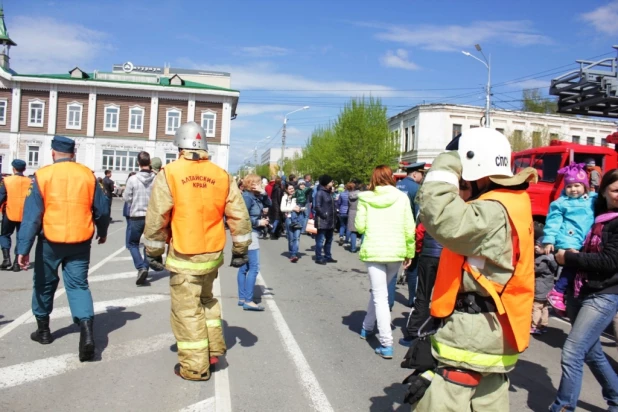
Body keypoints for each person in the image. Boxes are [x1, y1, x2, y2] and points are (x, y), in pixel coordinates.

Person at [405, 128, 537, 410]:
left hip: (473, 335)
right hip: (492, 332)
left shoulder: (493, 210)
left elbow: (439, 214)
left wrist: (448, 160)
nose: (461, 189)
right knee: (488, 401)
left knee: (444, 402)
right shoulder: (511, 203)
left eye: (464, 181)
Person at [143, 121, 251, 381]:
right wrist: (240, 249)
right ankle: (212, 350)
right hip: (212, 255)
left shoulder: (169, 173)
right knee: (207, 302)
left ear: (180, 146)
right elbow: (239, 215)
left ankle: (194, 367)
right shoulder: (222, 175)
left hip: (184, 256)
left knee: (186, 311)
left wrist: (154, 252)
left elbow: (158, 216)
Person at [16, 136, 110, 362]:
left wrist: (23, 248)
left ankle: (44, 331)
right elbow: (103, 208)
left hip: (50, 240)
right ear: (73, 153)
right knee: (78, 285)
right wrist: (103, 230)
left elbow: (32, 217)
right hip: (80, 240)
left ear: (52, 153)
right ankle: (86, 331)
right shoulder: (87, 175)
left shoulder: (43, 176)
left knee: (44, 283)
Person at [550, 169, 618, 411]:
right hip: (581, 288)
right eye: (616, 190)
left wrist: (569, 258)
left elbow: (610, 261)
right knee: (591, 351)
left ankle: (563, 406)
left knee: (572, 352)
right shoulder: (594, 211)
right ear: (603, 191)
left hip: (605, 293)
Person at [356, 165, 415, 359]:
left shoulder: (366, 198)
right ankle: (367, 326)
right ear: (391, 177)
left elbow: (359, 226)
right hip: (395, 251)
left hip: (374, 250)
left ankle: (386, 342)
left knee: (379, 295)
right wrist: (409, 251)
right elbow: (409, 226)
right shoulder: (402, 197)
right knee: (379, 291)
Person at [543, 162, 596, 316]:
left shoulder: (592, 199)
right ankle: (557, 291)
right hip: (568, 238)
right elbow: (553, 222)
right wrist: (549, 239)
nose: (573, 189)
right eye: (569, 186)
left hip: (583, 239)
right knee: (572, 265)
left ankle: (566, 295)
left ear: (585, 186)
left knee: (579, 267)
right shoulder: (560, 204)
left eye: (577, 185)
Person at [238, 174, 271, 310]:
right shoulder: (247, 197)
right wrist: (259, 221)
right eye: (258, 183)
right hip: (249, 233)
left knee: (244, 267)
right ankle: (248, 300)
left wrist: (263, 193)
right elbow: (242, 217)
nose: (261, 185)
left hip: (250, 233)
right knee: (254, 267)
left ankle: (242, 298)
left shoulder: (255, 196)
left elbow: (269, 204)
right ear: (252, 184)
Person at [123, 152, 156, 286]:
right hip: (152, 216)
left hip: (136, 215)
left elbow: (127, 198)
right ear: (150, 162)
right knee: (149, 244)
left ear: (138, 163)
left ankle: (141, 267)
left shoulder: (133, 179)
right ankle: (145, 267)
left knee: (132, 244)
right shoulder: (156, 178)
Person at [0, 159, 31, 272]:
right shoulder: (29, 181)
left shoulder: (7, 180)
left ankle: (6, 259)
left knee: (4, 235)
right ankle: (16, 264)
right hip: (24, 214)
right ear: (24, 169)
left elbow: (1, 196)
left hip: (9, 212)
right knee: (20, 238)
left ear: (13, 169)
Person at [532, 226, 557, 334]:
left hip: (540, 287)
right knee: (544, 307)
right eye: (536, 245)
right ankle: (543, 325)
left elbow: (536, 269)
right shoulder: (551, 258)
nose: (536, 247)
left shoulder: (543, 260)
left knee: (536, 307)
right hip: (548, 287)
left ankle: (535, 326)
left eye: (539, 246)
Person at [314, 175, 337, 265]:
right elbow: (317, 206)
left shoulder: (329, 192)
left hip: (330, 220)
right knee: (320, 240)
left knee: (329, 239)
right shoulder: (320, 193)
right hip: (323, 220)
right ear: (326, 183)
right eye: (331, 181)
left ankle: (328, 256)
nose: (332, 183)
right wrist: (324, 215)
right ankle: (319, 257)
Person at [281, 183, 301, 263]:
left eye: (292, 188)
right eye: (289, 189)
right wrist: (293, 208)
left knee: (297, 238)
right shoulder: (285, 197)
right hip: (289, 219)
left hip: (298, 218)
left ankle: (294, 254)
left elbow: (304, 207)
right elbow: (282, 209)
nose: (291, 190)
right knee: (291, 238)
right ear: (286, 190)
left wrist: (300, 208)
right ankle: (292, 252)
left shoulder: (298, 196)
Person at [346, 183, 361, 253]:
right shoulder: (361, 195)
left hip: (351, 211)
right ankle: (362, 246)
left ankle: (353, 248)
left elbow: (348, 204)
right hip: (360, 212)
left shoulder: (349, 194)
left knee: (353, 231)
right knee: (363, 231)